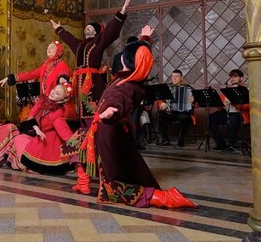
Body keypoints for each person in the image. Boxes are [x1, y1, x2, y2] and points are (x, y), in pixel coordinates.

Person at [79, 25, 197, 209]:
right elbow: (140, 56)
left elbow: (118, 100)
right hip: (114, 130)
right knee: (130, 166)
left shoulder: (128, 85)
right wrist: (145, 39)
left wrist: (111, 109)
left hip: (109, 131)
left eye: (125, 58)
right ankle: (157, 194)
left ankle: (161, 198)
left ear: (129, 63)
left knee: (116, 181)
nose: (121, 60)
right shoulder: (130, 78)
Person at [51, 0, 130, 120]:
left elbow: (110, 31)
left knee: (92, 113)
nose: (87, 27)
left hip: (93, 82)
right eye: (87, 26)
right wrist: (59, 29)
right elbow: (69, 38)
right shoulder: (78, 45)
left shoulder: (98, 41)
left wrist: (122, 12)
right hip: (78, 81)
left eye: (91, 27)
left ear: (95, 32)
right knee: (79, 114)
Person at [8, 80, 74, 174]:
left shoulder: (56, 113)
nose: (53, 93)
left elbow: (64, 132)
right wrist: (37, 129)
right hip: (38, 132)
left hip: (49, 140)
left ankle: (31, 166)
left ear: (61, 99)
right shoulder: (43, 100)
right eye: (54, 89)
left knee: (23, 142)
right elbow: (31, 114)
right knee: (19, 138)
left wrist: (77, 145)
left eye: (57, 93)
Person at [0, 41, 71, 106]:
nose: (48, 49)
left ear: (58, 51)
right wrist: (9, 78)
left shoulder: (61, 64)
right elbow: (31, 74)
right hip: (44, 98)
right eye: (48, 47)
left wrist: (62, 85)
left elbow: (63, 80)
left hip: (54, 100)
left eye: (52, 47)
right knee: (21, 89)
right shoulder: (45, 65)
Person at [158, 70, 194, 147]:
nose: (174, 79)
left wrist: (193, 99)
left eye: (177, 77)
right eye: (173, 76)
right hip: (171, 112)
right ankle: (165, 139)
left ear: (181, 78)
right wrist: (162, 103)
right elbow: (161, 99)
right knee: (160, 115)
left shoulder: (188, 88)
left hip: (184, 112)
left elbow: (196, 102)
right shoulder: (167, 87)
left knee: (185, 118)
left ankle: (181, 141)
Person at [219, 69, 250, 149]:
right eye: (231, 77)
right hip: (227, 113)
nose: (232, 79)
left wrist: (234, 103)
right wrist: (223, 104)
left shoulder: (245, 90)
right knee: (213, 118)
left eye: (235, 76)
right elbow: (220, 103)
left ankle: (232, 144)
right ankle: (221, 143)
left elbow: (248, 106)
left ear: (241, 78)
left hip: (240, 114)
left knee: (234, 118)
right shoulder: (227, 90)